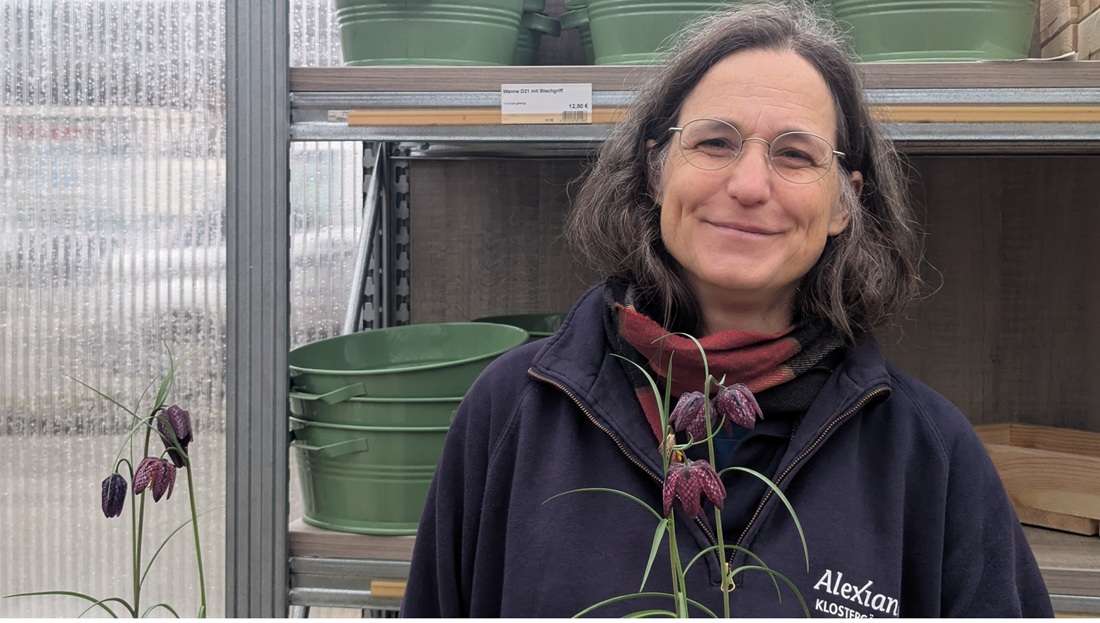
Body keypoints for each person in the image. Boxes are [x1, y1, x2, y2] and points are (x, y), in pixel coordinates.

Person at [400, 1, 1053, 617]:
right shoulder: (514, 411)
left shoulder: (928, 457)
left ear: (842, 204)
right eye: (715, 143)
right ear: (657, 170)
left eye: (795, 154)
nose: (747, 185)